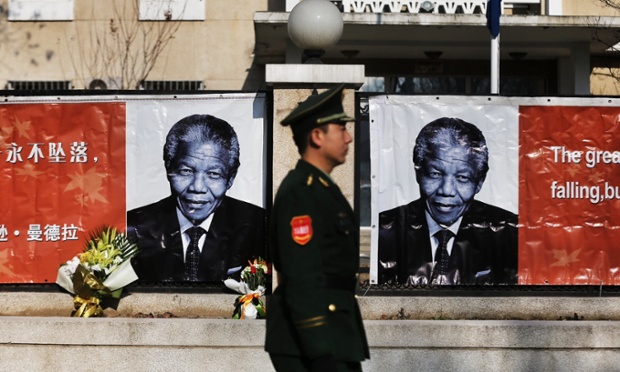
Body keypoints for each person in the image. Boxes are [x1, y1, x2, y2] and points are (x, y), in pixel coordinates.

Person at [265, 84, 370, 371]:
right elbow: (301, 275)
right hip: (312, 334)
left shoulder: (322, 188)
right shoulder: (301, 192)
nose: (349, 137)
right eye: (341, 128)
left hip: (334, 328)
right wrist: (319, 348)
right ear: (317, 136)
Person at [378, 117, 518, 286]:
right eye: (435, 174)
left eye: (462, 178)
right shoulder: (385, 228)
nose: (447, 190)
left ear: (479, 182)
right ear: (418, 173)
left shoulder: (511, 233)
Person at [127, 114, 265, 283]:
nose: (197, 188)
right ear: (168, 169)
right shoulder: (133, 227)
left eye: (213, 174)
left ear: (230, 178)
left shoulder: (257, 225)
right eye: (186, 171)